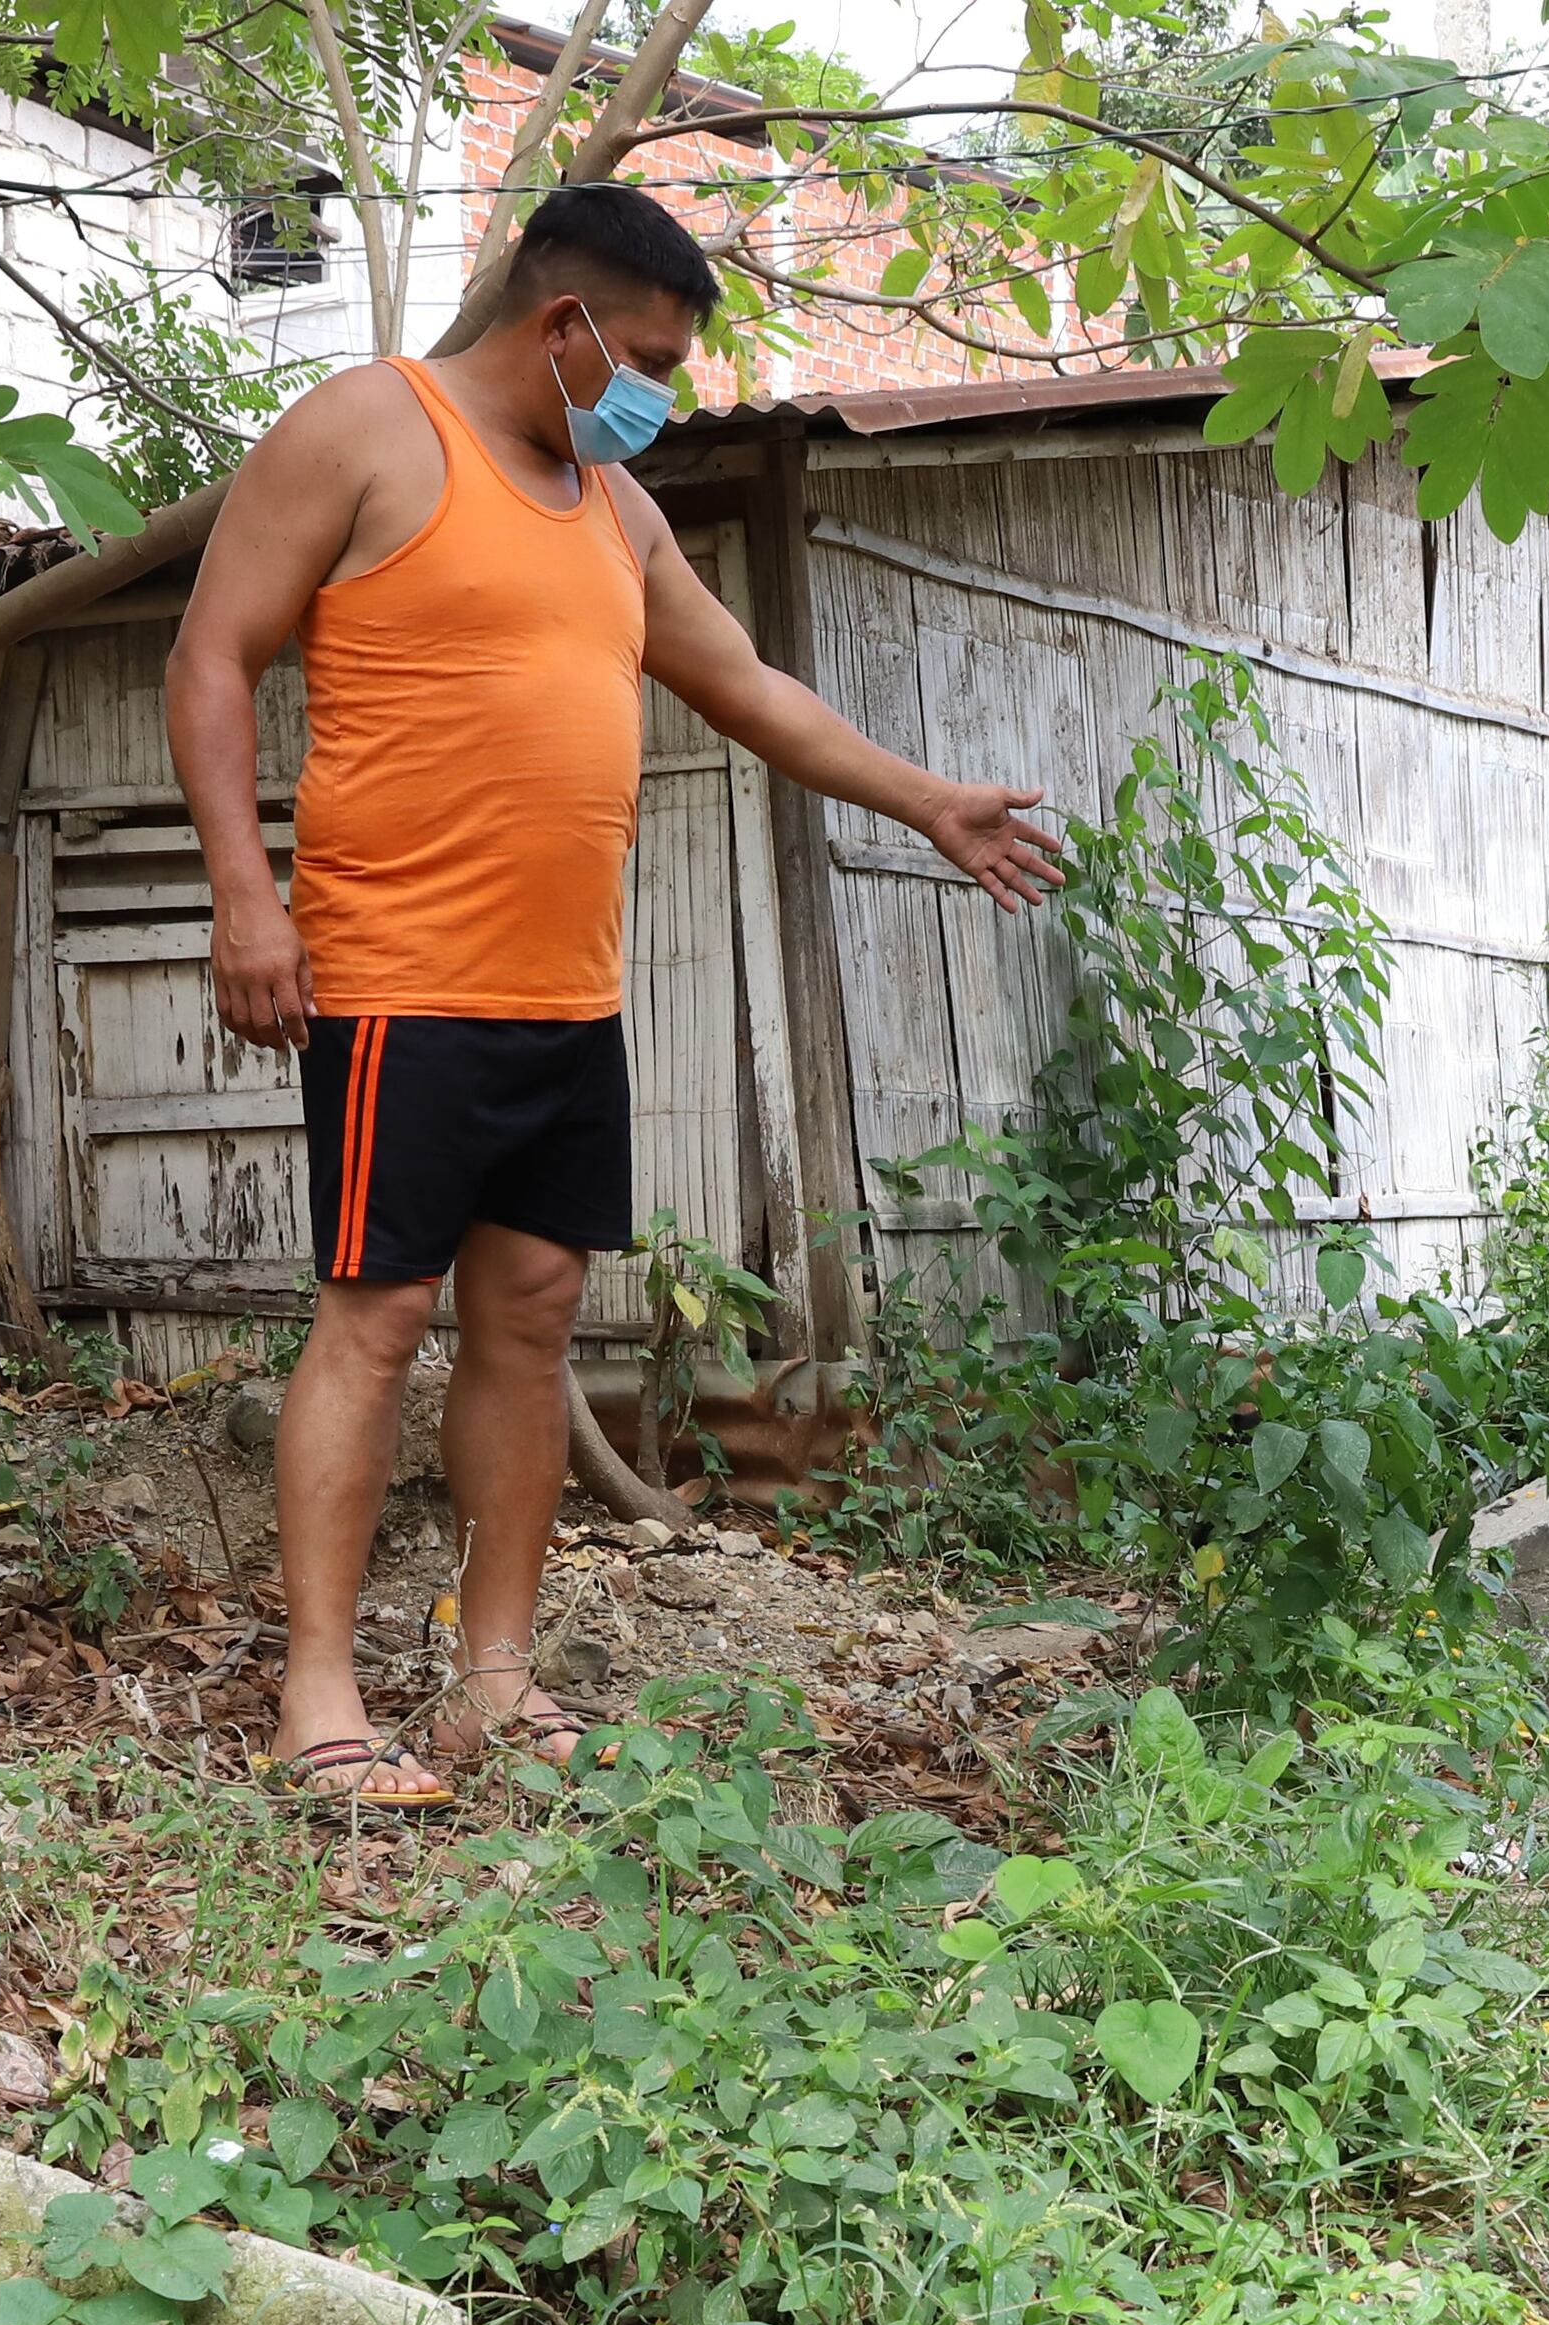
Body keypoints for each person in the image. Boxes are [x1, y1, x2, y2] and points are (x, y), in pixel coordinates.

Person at [169, 178, 1068, 1807]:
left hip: (564, 997)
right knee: (374, 1325)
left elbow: (745, 685)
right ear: (564, 322)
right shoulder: (370, 429)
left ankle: (490, 1684)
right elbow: (210, 656)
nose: (661, 388)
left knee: (528, 1327)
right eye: (647, 353)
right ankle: (320, 1700)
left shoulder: (613, 505)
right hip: (398, 982)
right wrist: (247, 896)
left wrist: (928, 798)